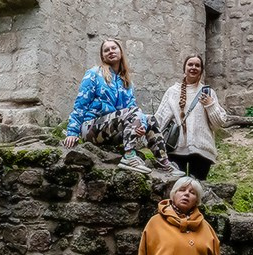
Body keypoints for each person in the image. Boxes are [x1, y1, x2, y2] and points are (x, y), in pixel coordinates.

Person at [62, 38, 183, 177]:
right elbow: (80, 104)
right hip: (91, 128)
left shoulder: (126, 82)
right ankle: (129, 156)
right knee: (132, 112)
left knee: (150, 119)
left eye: (114, 48)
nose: (110, 51)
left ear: (120, 52)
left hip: (114, 130)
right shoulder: (94, 74)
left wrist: (141, 126)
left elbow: (133, 108)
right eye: (106, 50)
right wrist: (72, 132)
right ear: (102, 56)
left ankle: (164, 163)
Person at [154, 54, 228, 180]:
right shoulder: (173, 92)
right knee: (177, 188)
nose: (193, 67)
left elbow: (219, 123)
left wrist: (210, 105)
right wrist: (148, 137)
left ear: (201, 70)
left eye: (197, 65)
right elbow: (160, 118)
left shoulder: (207, 92)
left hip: (202, 150)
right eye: (190, 64)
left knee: (197, 188)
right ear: (185, 68)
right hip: (176, 149)